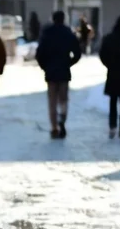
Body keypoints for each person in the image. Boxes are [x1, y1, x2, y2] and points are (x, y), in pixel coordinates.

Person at [35, 10, 84, 139]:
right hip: (64, 71)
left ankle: (54, 127)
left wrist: (45, 66)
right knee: (63, 99)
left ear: (53, 19)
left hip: (50, 72)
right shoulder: (68, 33)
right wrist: (69, 63)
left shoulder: (47, 33)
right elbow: (77, 53)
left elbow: (39, 54)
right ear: (63, 19)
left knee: (52, 101)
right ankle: (62, 119)